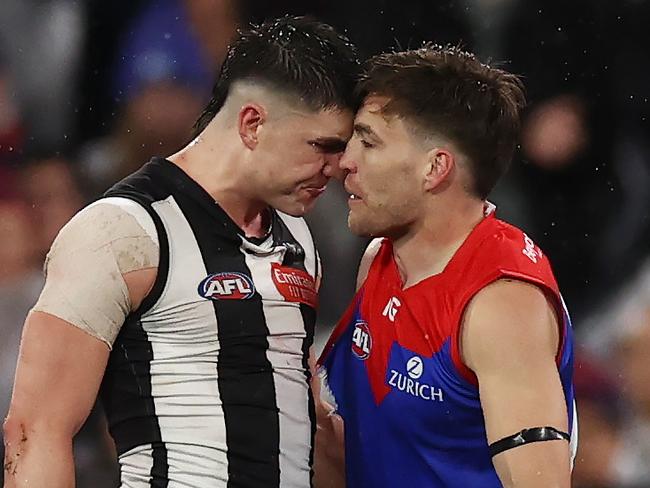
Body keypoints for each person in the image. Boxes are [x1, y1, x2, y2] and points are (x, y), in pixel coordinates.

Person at [3, 15, 359, 488]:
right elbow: (36, 430)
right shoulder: (122, 231)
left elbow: (303, 423)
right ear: (252, 123)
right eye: (323, 147)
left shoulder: (296, 237)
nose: (337, 168)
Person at [316, 46, 577, 487]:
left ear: (435, 168)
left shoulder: (501, 305)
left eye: (369, 141)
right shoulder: (378, 263)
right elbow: (358, 449)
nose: (346, 161)